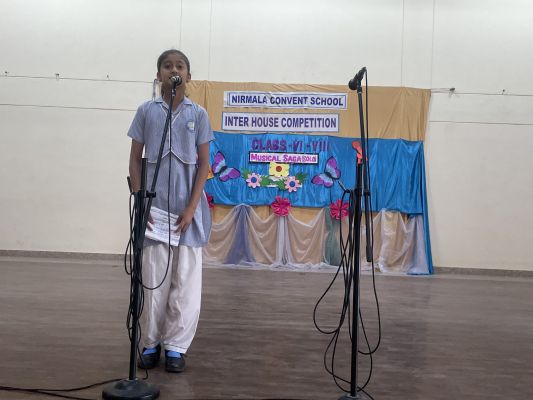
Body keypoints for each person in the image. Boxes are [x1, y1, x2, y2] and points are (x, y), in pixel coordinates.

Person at [127, 49, 213, 373]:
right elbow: (135, 160)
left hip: (187, 213)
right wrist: (141, 201)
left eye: (179, 65)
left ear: (188, 75)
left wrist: (191, 208)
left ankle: (176, 346)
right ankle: (150, 342)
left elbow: (203, 164)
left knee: (185, 283)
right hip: (154, 211)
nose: (173, 69)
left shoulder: (199, 115)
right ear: (158, 74)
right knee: (153, 281)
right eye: (167, 65)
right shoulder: (146, 111)